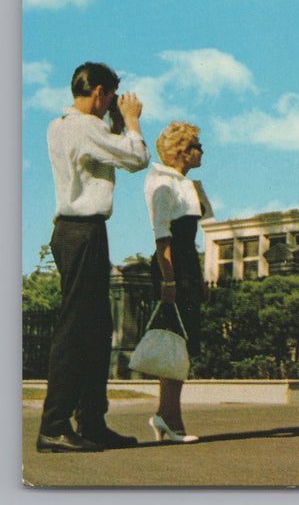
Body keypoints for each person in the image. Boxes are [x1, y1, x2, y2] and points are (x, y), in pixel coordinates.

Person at [38, 62, 150, 453]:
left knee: (96, 329)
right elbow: (136, 158)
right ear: (100, 92)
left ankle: (89, 421)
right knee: (77, 330)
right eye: (110, 99)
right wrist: (132, 121)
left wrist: (115, 124)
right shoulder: (88, 126)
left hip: (70, 231)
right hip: (83, 230)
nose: (110, 107)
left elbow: (104, 154)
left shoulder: (61, 124)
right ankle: (55, 425)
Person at [143, 122, 212, 443]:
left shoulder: (187, 184)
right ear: (184, 151)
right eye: (197, 145)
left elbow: (191, 240)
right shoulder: (162, 184)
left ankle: (168, 418)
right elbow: (163, 240)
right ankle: (169, 419)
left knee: (181, 345)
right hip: (172, 269)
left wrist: (197, 278)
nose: (202, 151)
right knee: (176, 343)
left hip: (186, 268)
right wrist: (169, 281)